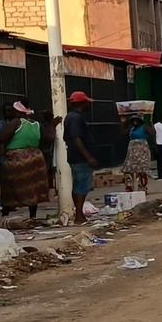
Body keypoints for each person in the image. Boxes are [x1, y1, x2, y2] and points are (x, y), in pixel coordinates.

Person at [0, 102, 49, 222]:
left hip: (18, 158)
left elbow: (2, 137)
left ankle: (6, 213)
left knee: (11, 185)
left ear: (18, 112)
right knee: (33, 187)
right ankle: (32, 216)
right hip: (35, 158)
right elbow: (48, 138)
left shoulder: (16, 122)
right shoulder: (36, 124)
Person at [64, 91, 96, 223]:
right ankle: (79, 215)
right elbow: (76, 138)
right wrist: (88, 157)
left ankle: (79, 214)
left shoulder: (71, 117)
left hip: (74, 155)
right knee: (82, 185)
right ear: (82, 103)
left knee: (78, 184)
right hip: (80, 157)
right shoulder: (76, 118)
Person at [123, 114, 153, 191]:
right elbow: (123, 133)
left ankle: (142, 186)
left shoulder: (144, 127)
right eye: (133, 120)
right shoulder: (131, 129)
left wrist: (150, 122)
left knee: (142, 169)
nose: (135, 121)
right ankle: (129, 186)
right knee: (128, 169)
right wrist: (123, 122)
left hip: (142, 150)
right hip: (132, 151)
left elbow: (152, 133)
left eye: (136, 120)